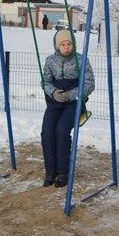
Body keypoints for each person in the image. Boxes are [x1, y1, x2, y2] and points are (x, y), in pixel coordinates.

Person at [41, 29, 95, 188]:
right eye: (63, 44)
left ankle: (63, 172)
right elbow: (45, 82)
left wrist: (70, 95)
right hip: (55, 100)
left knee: (62, 130)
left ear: (73, 44)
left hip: (74, 102)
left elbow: (89, 83)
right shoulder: (50, 61)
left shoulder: (81, 60)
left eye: (69, 44)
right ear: (57, 46)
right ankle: (50, 171)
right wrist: (53, 92)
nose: (66, 47)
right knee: (47, 132)